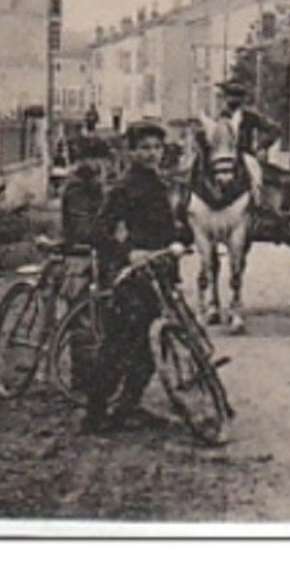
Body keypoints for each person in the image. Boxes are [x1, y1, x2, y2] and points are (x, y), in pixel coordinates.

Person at [82, 120, 181, 435]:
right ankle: (94, 413)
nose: (152, 154)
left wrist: (182, 240)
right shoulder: (124, 188)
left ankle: (125, 409)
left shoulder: (160, 184)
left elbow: (167, 228)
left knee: (151, 350)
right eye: (145, 148)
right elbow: (97, 232)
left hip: (159, 273)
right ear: (132, 151)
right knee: (118, 346)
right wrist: (128, 254)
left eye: (157, 148)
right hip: (132, 277)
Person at [197, 80, 281, 197]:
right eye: (230, 96)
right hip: (223, 155)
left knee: (255, 173)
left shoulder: (250, 116)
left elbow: (274, 130)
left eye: (237, 96)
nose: (233, 100)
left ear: (242, 99)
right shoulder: (219, 118)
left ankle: (257, 200)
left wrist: (262, 147)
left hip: (244, 155)